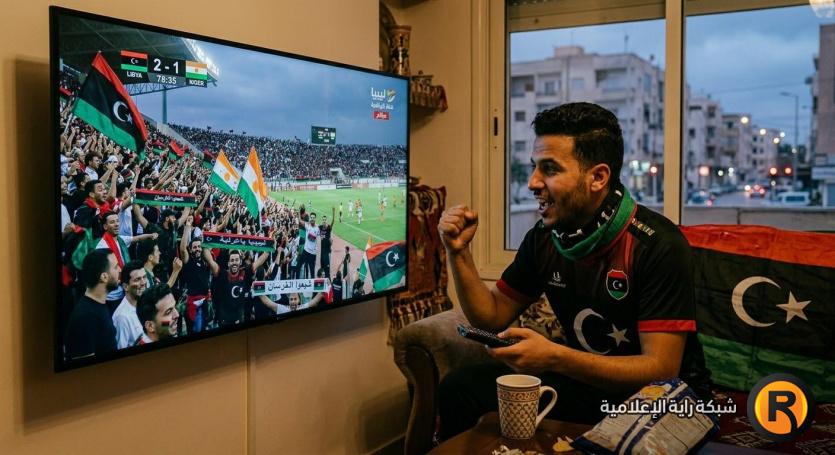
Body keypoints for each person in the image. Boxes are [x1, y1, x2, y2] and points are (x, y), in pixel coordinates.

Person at [436, 103, 711, 439]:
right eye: (535, 167)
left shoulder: (658, 244)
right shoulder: (545, 238)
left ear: (598, 177)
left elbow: (660, 369)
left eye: (550, 169)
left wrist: (554, 357)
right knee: (459, 389)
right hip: (587, 384)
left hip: (662, 399)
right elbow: (490, 317)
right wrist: (458, 251)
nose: (533, 183)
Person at [63, 249, 121, 360]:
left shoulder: (99, 304)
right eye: (115, 267)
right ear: (104, 277)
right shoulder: (85, 318)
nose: (120, 269)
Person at [205, 249, 268, 326]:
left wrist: (269, 248)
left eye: (236, 260)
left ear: (240, 262)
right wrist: (206, 245)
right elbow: (210, 260)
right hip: (224, 321)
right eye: (232, 260)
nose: (234, 262)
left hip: (239, 319)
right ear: (228, 263)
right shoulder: (222, 274)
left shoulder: (245, 272)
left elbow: (260, 261)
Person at [179, 219, 211, 333]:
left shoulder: (204, 261)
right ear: (191, 249)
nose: (197, 249)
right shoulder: (189, 261)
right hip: (194, 305)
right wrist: (187, 227)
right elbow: (182, 249)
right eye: (195, 247)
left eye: (199, 247)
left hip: (205, 303)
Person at [112, 260, 147, 349]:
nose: (143, 282)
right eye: (137, 279)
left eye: (144, 277)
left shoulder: (145, 303)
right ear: (125, 286)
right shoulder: (122, 317)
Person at [319, 212, 333, 277]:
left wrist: (333, 214)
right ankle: (322, 279)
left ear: (326, 221)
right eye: (323, 220)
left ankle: (328, 280)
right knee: (322, 268)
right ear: (322, 220)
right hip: (322, 252)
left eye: (325, 220)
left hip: (327, 252)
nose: (324, 221)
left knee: (327, 269)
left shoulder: (328, 228)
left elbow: (332, 222)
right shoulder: (320, 227)